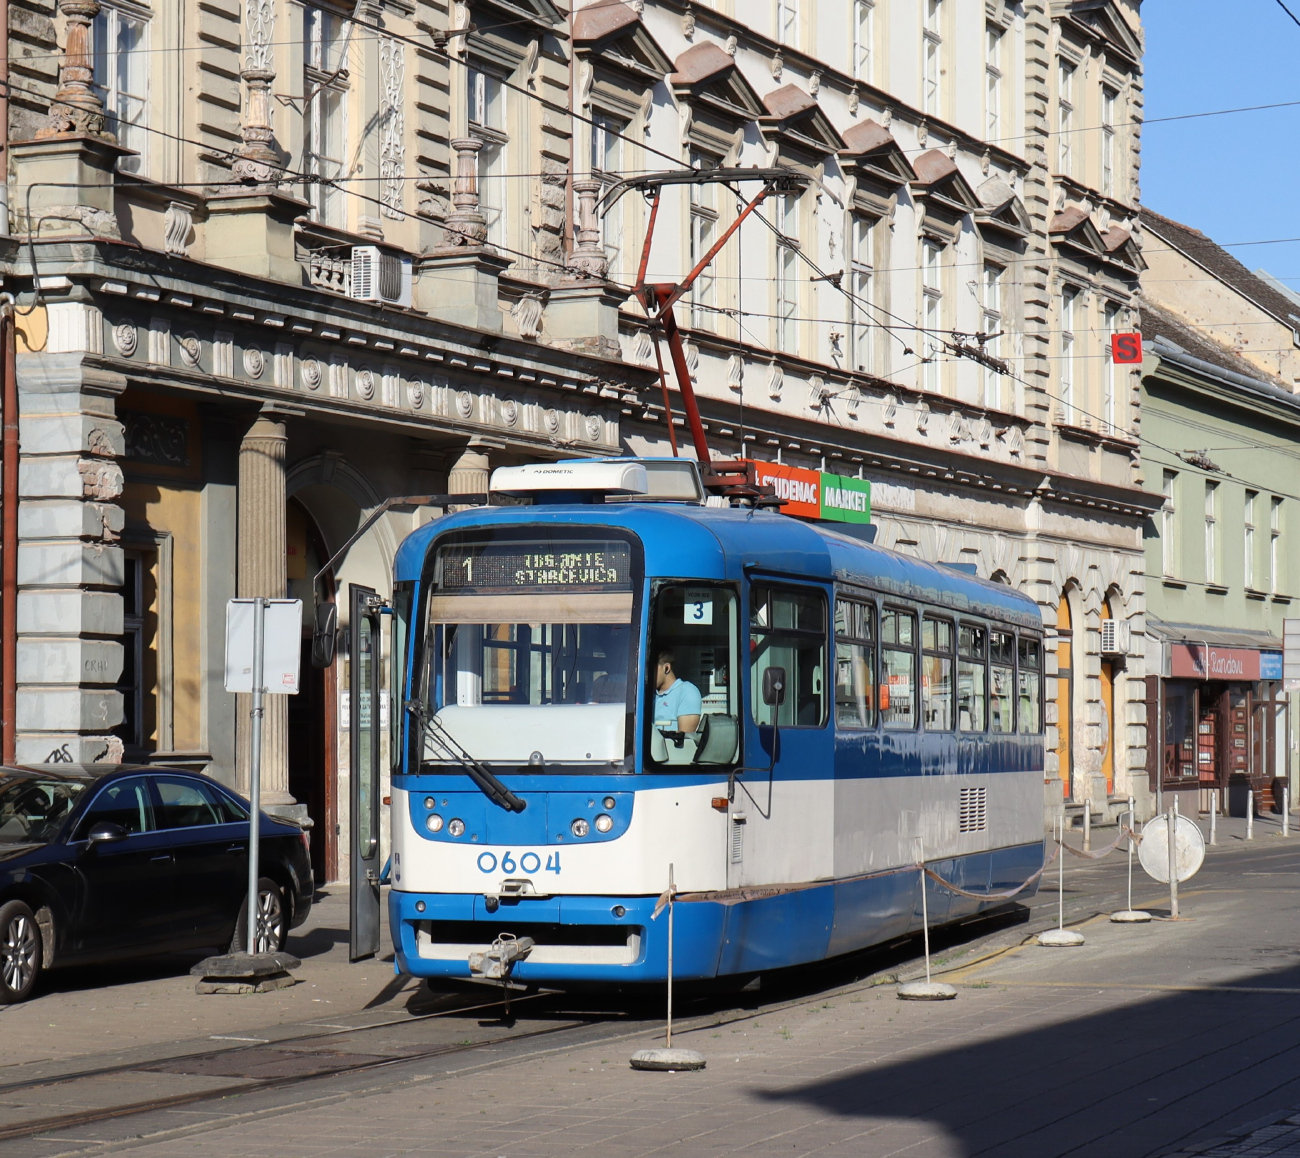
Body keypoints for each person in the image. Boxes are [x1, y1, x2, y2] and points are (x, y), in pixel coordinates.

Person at [653, 649, 702, 733]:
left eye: (653, 669)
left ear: (666, 668)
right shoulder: (648, 695)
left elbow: (684, 737)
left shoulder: (687, 691)